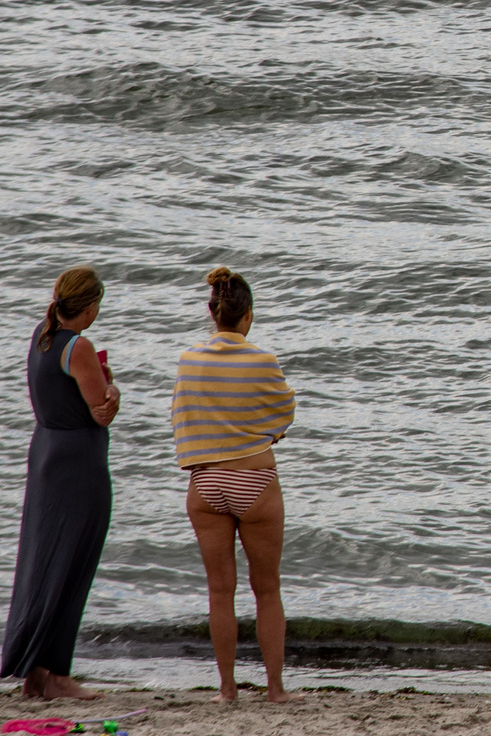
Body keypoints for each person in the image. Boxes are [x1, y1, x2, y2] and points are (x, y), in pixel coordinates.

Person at [173, 267, 300, 703]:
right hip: (255, 479)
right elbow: (284, 412)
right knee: (267, 589)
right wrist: (265, 434)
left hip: (206, 482)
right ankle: (276, 690)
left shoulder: (190, 358)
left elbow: (182, 416)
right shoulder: (261, 358)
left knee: (219, 591)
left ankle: (227, 689)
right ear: (247, 316)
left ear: (212, 314)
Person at [2, 267, 119, 699]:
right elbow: (100, 411)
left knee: (43, 559)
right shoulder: (78, 345)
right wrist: (114, 389)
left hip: (46, 451)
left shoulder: (42, 334)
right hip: (78, 460)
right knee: (74, 562)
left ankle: (36, 671)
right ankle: (56, 675)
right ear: (89, 307)